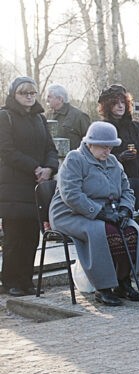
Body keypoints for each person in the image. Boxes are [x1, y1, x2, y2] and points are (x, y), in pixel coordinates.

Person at [49, 121, 139, 306]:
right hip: (71, 213)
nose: (107, 151)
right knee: (100, 232)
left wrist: (126, 209)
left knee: (134, 233)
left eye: (110, 147)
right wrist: (100, 212)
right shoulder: (75, 159)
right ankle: (103, 288)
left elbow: (127, 190)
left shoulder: (113, 162)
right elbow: (71, 194)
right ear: (90, 143)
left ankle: (123, 281)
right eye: (103, 146)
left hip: (108, 212)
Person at [0, 76, 58, 296]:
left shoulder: (39, 118)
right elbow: (6, 150)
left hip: (36, 186)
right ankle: (10, 281)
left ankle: (26, 279)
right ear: (14, 95)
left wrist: (49, 169)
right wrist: (35, 167)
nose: (29, 97)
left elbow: (50, 148)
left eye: (32, 93)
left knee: (32, 236)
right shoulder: (5, 116)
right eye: (24, 93)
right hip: (14, 185)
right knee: (14, 237)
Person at [97, 84, 139, 181]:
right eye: (115, 103)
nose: (120, 106)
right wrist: (119, 157)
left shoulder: (136, 127)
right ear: (108, 106)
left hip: (138, 180)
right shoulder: (103, 128)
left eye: (123, 102)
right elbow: (97, 158)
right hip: (114, 180)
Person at [45, 84, 91, 151]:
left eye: (50, 97)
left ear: (60, 99)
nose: (47, 100)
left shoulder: (79, 116)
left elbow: (89, 141)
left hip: (73, 158)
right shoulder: (47, 115)